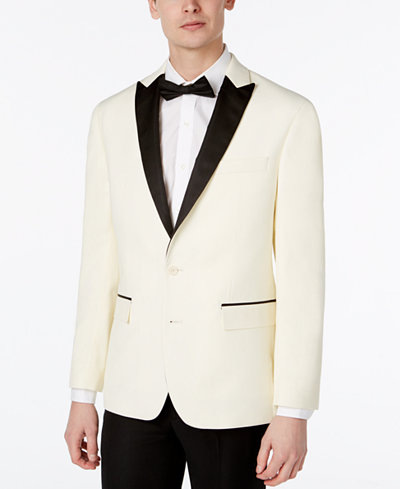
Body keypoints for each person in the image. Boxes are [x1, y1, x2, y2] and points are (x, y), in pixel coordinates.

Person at [64, 1, 325, 487]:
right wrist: (83, 391)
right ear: (152, 4)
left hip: (235, 391)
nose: (189, 5)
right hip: (133, 389)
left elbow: (302, 273)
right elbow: (98, 263)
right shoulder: (110, 117)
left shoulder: (288, 114)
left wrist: (294, 409)